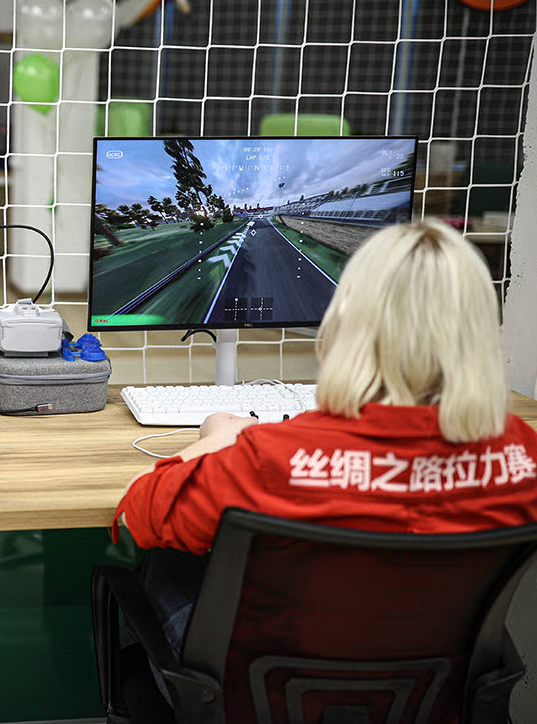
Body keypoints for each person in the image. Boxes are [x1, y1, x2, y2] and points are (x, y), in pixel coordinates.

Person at [111, 218, 537, 709]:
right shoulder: (521, 453)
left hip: (261, 699)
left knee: (164, 564)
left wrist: (214, 441)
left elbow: (132, 519)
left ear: (348, 322)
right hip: (436, 698)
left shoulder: (271, 457)